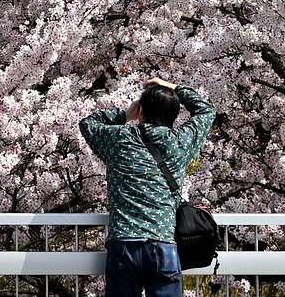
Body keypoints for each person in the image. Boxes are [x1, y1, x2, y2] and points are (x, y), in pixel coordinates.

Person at [79, 76, 216, 297]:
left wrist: (125, 115)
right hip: (163, 245)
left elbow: (88, 123)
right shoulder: (179, 142)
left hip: (123, 243)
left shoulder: (119, 138)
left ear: (141, 111)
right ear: (173, 115)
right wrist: (174, 87)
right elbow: (206, 111)